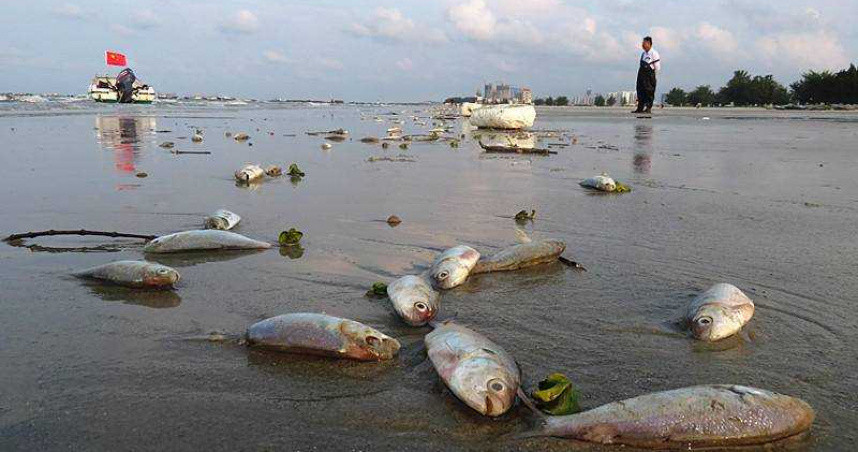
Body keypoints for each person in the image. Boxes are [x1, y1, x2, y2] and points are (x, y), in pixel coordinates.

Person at [633, 36, 660, 114]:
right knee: (640, 90)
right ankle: (640, 108)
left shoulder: (654, 53)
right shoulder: (643, 54)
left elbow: (657, 67)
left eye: (644, 43)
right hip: (641, 74)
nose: (642, 45)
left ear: (649, 43)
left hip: (649, 75)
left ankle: (648, 108)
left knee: (649, 91)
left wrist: (654, 76)